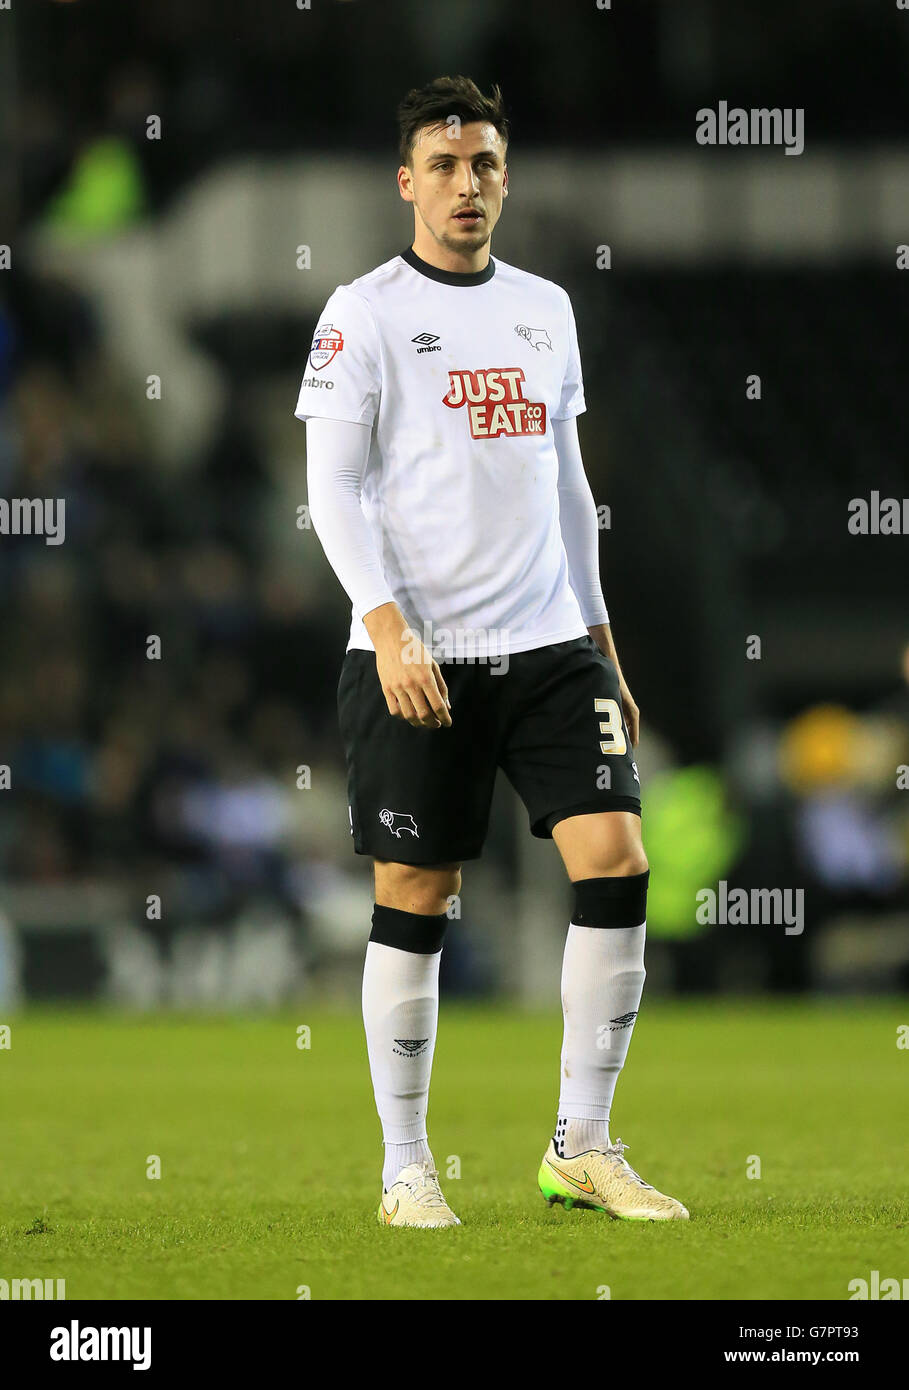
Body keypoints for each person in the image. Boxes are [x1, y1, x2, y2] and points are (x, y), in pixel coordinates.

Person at [295, 75, 688, 1226]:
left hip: (550, 639)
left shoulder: (548, 310)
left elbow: (568, 484)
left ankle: (582, 1144)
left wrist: (602, 632)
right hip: (418, 651)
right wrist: (384, 623)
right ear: (406, 180)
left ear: (504, 177)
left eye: (487, 166)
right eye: (447, 165)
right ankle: (406, 1167)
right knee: (419, 890)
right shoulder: (360, 314)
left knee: (615, 857)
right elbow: (333, 485)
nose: (469, 185)